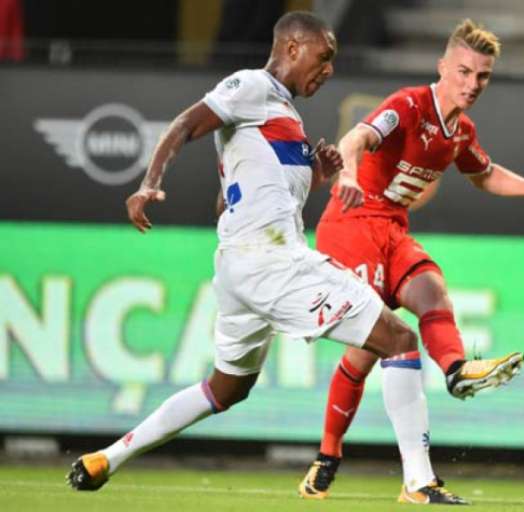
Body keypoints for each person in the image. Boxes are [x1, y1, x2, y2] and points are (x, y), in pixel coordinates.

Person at [66, 11, 422, 492]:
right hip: (272, 261)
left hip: (240, 265)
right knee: (398, 339)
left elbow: (231, 202)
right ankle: (420, 482)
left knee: (226, 388)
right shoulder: (251, 86)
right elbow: (185, 124)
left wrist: (315, 173)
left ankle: (107, 458)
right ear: (293, 48)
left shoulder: (284, 119)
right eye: (324, 57)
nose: (329, 69)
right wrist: (149, 184)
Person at [299, 18, 524, 505]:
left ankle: (452, 372)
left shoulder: (460, 131)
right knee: (388, 347)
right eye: (464, 71)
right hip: (352, 224)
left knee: (428, 291)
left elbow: (485, 175)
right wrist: (347, 173)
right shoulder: (408, 105)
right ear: (443, 66)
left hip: (392, 229)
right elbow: (358, 139)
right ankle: (391, 472)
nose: (472, 84)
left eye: (482, 76)